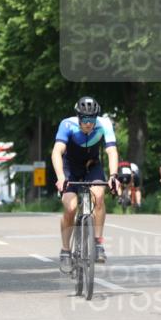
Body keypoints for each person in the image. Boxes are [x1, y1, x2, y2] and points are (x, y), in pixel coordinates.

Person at [52, 96, 119, 272]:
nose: (88, 123)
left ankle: (98, 243)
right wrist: (60, 177)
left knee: (99, 196)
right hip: (70, 169)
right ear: (78, 117)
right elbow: (57, 152)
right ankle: (65, 251)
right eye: (84, 119)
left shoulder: (104, 124)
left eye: (91, 119)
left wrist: (113, 176)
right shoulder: (67, 125)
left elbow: (112, 151)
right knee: (71, 207)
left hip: (92, 166)